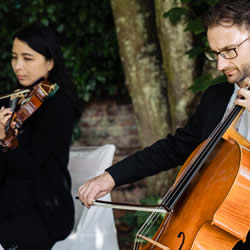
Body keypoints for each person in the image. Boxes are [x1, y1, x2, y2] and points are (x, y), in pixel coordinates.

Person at [78, 0, 250, 249]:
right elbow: (174, 148)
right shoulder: (217, 97)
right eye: (216, 54)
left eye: (230, 50)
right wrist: (111, 177)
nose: (220, 65)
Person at [0, 24, 79, 249]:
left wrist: (5, 138)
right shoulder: (11, 102)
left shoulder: (59, 107)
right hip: (10, 204)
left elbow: (28, 165)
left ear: (50, 62)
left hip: (44, 209)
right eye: (14, 57)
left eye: (28, 58)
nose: (18, 66)